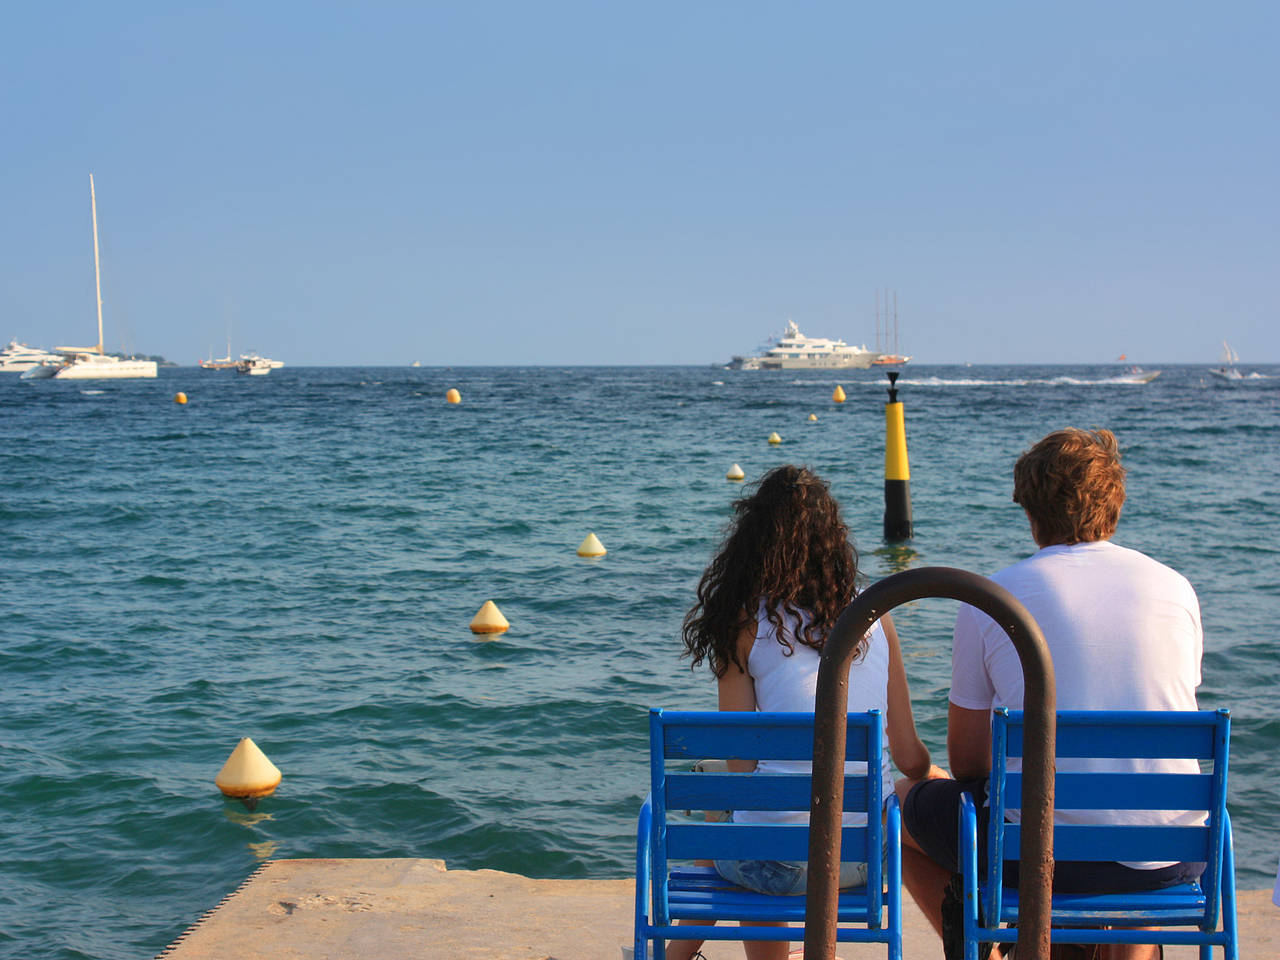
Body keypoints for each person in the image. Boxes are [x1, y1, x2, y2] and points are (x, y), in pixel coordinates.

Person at [896, 428, 1204, 960]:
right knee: (1113, 836)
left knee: (898, 807)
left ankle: (990, 952)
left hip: (1036, 856)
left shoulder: (990, 598)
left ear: (1030, 510)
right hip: (1171, 852)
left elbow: (967, 763)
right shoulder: (1175, 587)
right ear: (1116, 502)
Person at [669, 465, 934, 960]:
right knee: (751, 818)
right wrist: (928, 773)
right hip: (862, 858)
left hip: (775, 863)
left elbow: (741, 767)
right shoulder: (876, 618)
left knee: (729, 815)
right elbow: (908, 755)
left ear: (753, 544)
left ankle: (678, 955)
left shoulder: (745, 626)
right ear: (835, 540)